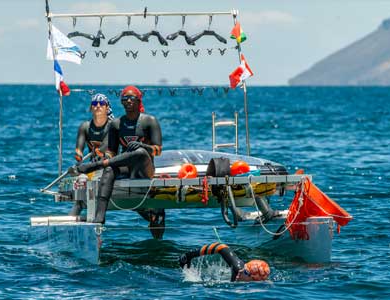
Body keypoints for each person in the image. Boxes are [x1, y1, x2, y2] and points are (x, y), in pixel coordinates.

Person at [71, 85, 164, 238]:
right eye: (124, 98)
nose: (128, 101)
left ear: (138, 100)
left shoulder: (150, 121)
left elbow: (158, 150)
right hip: (126, 168)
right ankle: (99, 218)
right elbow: (111, 152)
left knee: (139, 152)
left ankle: (96, 166)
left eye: (131, 98)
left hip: (144, 168)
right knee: (109, 169)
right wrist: (106, 158)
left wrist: (143, 146)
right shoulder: (116, 124)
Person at [69, 93, 114, 216]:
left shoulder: (113, 126)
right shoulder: (85, 126)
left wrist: (99, 152)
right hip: (93, 167)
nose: (97, 106)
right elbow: (79, 148)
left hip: (110, 166)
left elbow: (105, 148)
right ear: (90, 108)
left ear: (107, 108)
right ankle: (74, 215)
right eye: (94, 104)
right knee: (81, 181)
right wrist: (78, 156)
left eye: (101, 104)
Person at [178, 242, 270, 282]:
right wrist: (190, 255)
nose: (240, 273)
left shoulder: (256, 281)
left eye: (246, 272)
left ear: (253, 279)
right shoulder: (238, 267)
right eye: (245, 270)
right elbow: (221, 246)